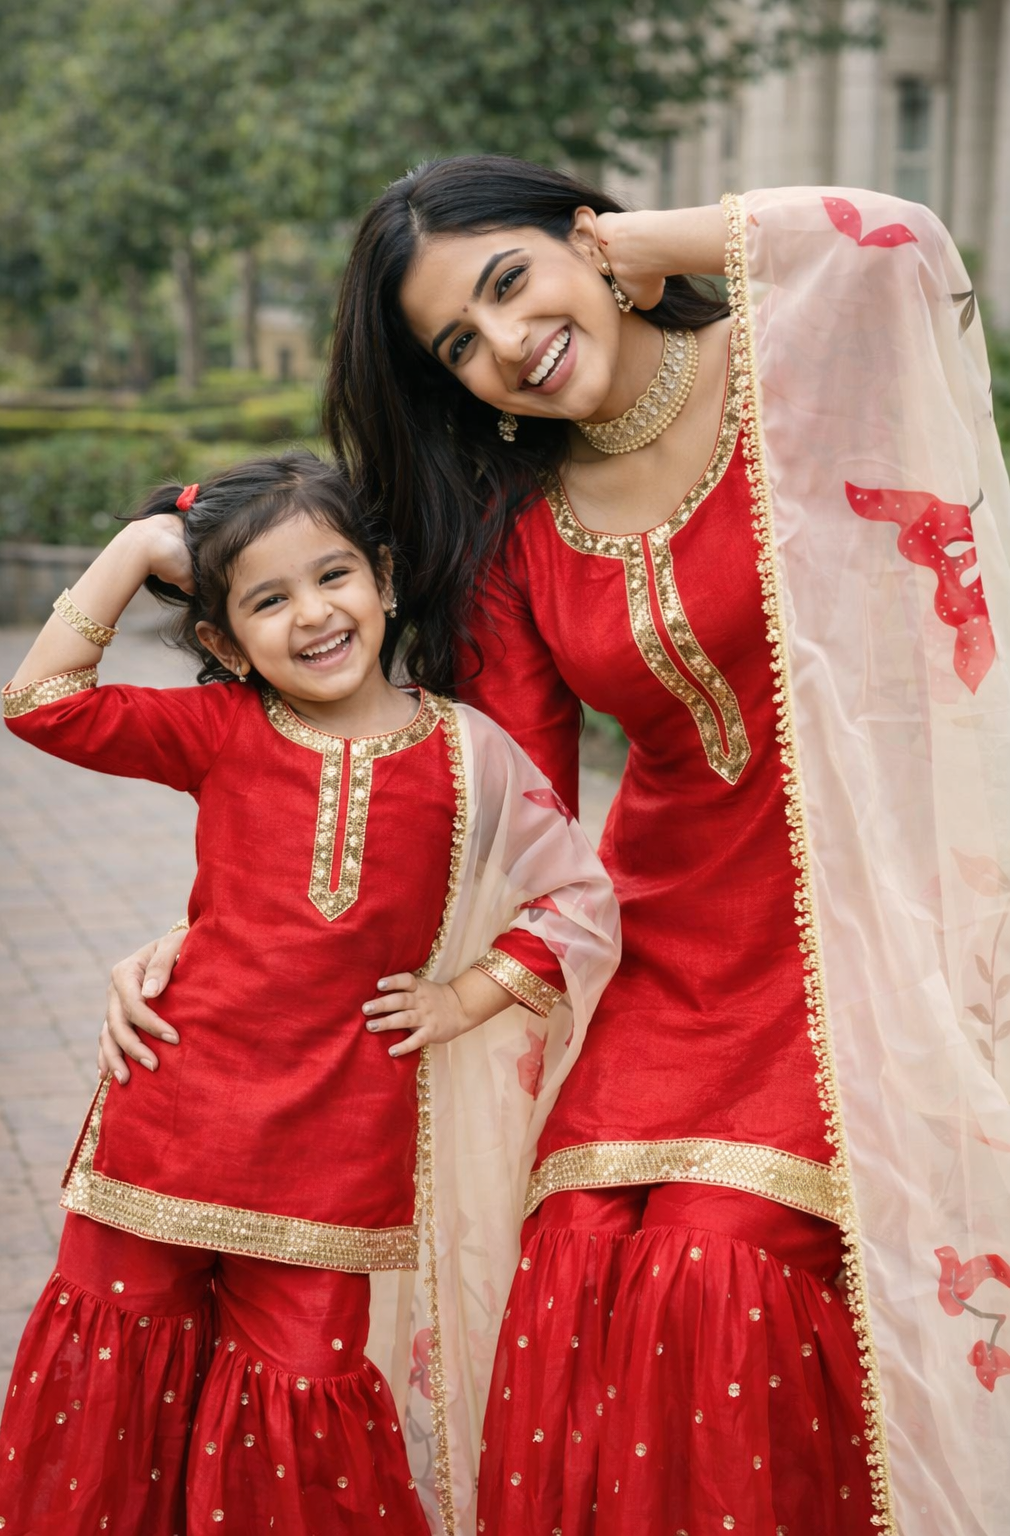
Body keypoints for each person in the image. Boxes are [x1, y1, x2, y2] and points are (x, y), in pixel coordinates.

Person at [104, 161, 1010, 1536]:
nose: (506, 344)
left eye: (511, 281)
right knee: (572, 1264)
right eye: (458, 345)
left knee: (716, 1267)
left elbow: (905, 251)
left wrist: (661, 241)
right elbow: (479, 809)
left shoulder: (789, 365)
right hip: (660, 945)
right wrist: (224, 943)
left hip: (866, 920)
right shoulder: (518, 526)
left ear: (587, 240)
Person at [0, 449, 619, 1536]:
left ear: (384, 579)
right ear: (225, 644)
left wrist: (466, 997)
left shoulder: (468, 754)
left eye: (333, 576)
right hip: (169, 1118)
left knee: (301, 1399)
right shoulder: (220, 730)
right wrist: (136, 548)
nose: (314, 615)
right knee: (117, 1382)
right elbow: (41, 703)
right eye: (268, 600)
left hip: (338, 1154)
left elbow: (576, 896)